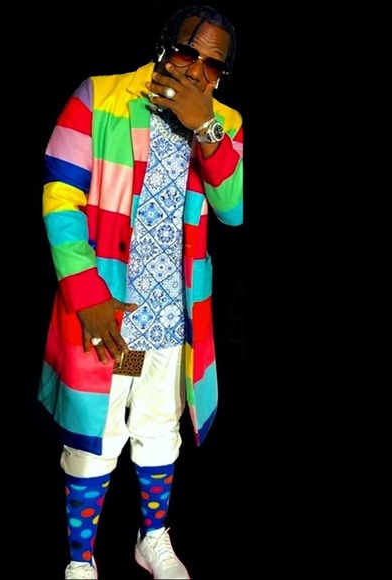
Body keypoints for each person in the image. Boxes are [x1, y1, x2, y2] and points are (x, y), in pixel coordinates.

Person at [38, 5, 243, 578]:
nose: (196, 70)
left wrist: (206, 126)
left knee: (158, 433)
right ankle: (80, 558)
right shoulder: (99, 97)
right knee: (94, 441)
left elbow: (233, 209)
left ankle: (151, 538)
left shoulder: (225, 122)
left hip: (173, 321)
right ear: (163, 45)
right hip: (108, 319)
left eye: (212, 65)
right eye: (187, 52)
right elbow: (60, 199)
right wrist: (87, 297)